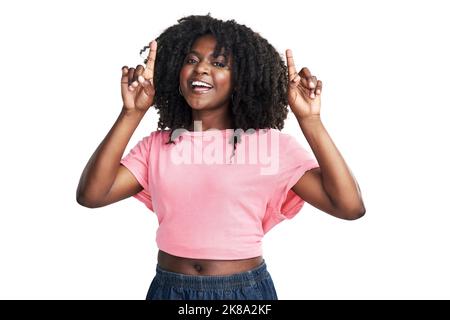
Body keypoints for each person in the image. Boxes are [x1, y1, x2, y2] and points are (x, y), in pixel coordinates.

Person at [76, 14, 365, 300]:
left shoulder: (269, 146)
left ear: (241, 80)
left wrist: (311, 121)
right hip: (168, 290)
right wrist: (131, 114)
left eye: (218, 63)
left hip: (243, 294)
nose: (201, 69)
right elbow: (92, 195)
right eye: (191, 60)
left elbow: (349, 207)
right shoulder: (157, 146)